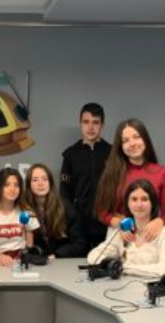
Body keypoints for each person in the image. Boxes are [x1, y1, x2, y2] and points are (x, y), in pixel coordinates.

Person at [94, 118, 165, 243]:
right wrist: (121, 224)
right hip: (121, 234)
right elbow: (102, 212)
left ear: (145, 139)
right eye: (125, 140)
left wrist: (160, 221)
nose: (132, 143)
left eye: (136, 137)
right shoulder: (112, 173)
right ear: (120, 146)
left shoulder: (163, 174)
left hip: (151, 235)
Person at [87, 179, 165, 277]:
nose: (139, 205)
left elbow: (164, 270)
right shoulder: (122, 232)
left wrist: (121, 267)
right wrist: (111, 265)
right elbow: (93, 256)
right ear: (128, 203)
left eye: (144, 199)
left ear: (152, 203)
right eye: (134, 199)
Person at [60, 103, 111, 248]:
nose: (91, 127)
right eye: (86, 122)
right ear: (80, 124)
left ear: (102, 125)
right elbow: (64, 194)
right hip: (79, 227)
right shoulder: (70, 154)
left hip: (108, 226)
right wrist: (71, 221)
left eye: (96, 122)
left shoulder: (113, 153)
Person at [0, 168, 39, 267]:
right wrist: (0, 258)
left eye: (16, 185)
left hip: (19, 263)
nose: (12, 189)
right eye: (7, 185)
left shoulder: (27, 212)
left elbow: (29, 246)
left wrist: (21, 261)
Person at [21, 163, 87, 258]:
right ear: (28, 185)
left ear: (50, 183)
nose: (40, 184)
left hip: (62, 261)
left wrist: (57, 254)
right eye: (35, 180)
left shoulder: (65, 206)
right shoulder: (23, 208)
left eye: (44, 179)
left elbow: (80, 244)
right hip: (36, 261)